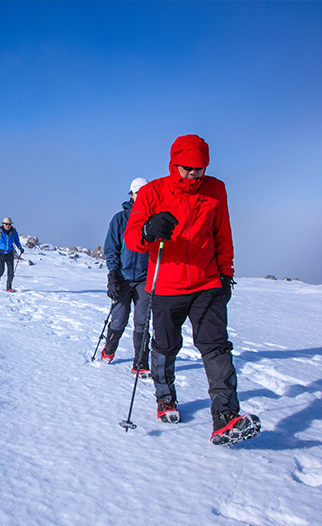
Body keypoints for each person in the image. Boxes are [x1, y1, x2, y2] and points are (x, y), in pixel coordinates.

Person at [124, 134, 259, 446]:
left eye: (199, 169)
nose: (193, 175)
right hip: (166, 285)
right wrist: (149, 229)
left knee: (216, 347)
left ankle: (225, 418)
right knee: (165, 347)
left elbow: (222, 235)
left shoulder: (216, 190)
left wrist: (226, 275)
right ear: (174, 164)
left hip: (207, 283)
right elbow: (132, 239)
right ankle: (165, 399)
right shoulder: (152, 192)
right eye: (187, 169)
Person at [102, 177, 152, 379]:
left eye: (145, 193)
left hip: (145, 279)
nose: (141, 196)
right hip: (122, 278)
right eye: (138, 192)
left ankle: (140, 363)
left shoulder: (153, 219)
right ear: (131, 194)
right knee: (119, 319)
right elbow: (111, 248)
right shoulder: (120, 219)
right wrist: (113, 275)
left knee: (143, 321)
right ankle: (109, 348)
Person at [0, 217, 24, 292]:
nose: (8, 226)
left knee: (11, 272)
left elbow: (17, 241)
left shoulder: (13, 231)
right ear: (3, 224)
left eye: (9, 224)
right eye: (6, 224)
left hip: (9, 254)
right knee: (0, 271)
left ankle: (8, 288)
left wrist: (20, 248)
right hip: (0, 253)